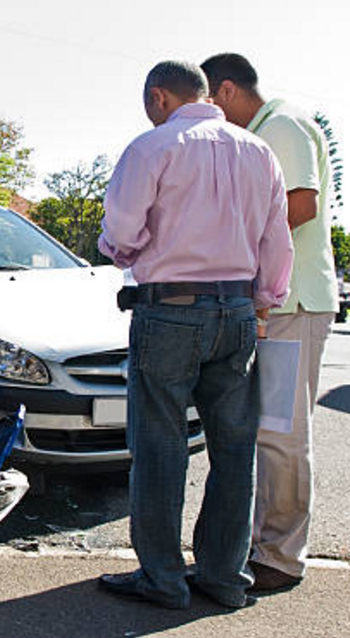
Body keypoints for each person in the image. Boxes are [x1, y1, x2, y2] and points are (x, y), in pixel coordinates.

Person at [96, 60, 294, 610]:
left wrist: (119, 251)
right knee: (233, 449)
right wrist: (261, 302)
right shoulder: (257, 151)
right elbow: (277, 242)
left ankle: (162, 579)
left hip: (170, 311)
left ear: (160, 97)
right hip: (236, 312)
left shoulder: (153, 146)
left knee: (160, 446)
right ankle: (224, 578)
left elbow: (123, 233)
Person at [201, 53, 339, 592]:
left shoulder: (281, 126)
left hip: (295, 303)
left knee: (282, 433)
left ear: (228, 91)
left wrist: (230, 241)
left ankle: (280, 558)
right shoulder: (264, 129)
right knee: (268, 431)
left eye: (210, 103)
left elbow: (300, 204)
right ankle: (264, 545)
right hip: (275, 305)